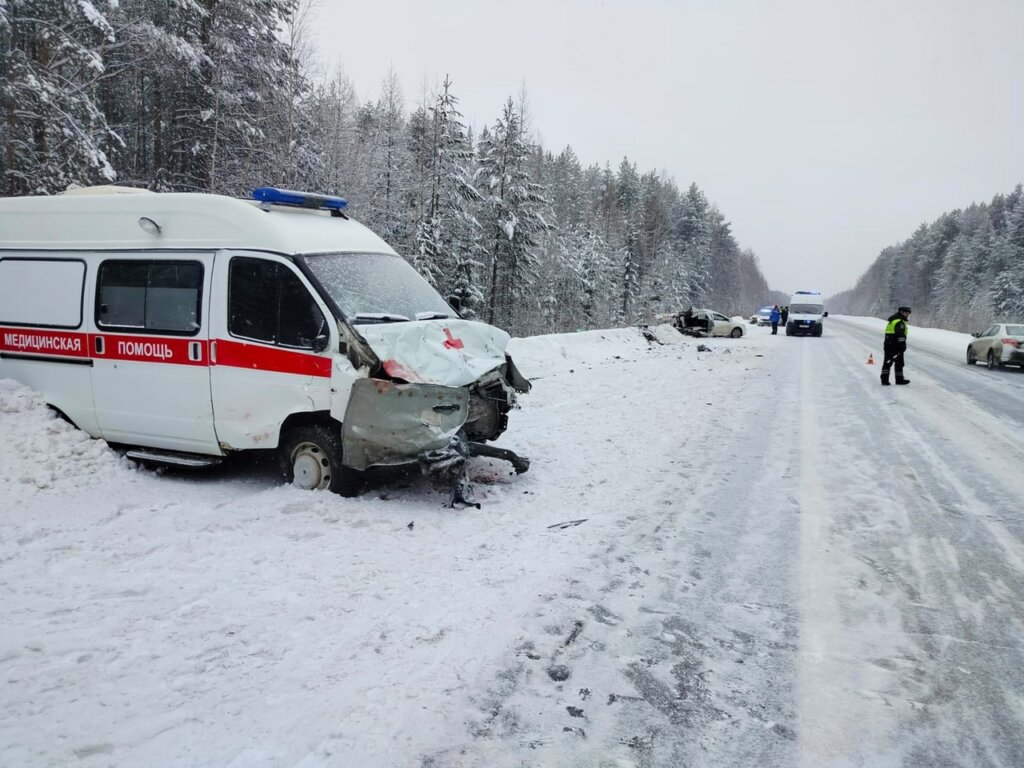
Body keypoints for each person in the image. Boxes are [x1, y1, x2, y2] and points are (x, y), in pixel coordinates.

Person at [881, 306, 911, 385]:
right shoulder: (899, 322)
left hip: (888, 344)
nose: (907, 315)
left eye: (908, 313)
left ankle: (890, 380)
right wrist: (902, 346)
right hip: (895, 346)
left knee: (892, 362)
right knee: (893, 362)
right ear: (901, 312)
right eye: (905, 313)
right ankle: (896, 380)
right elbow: (900, 335)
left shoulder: (893, 320)